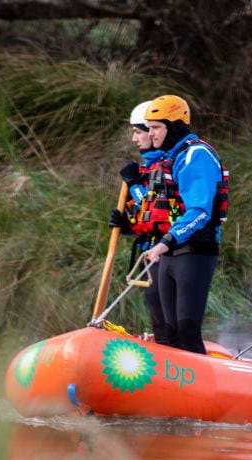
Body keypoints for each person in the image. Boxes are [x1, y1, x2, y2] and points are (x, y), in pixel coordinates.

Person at [141, 94, 229, 354]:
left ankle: (206, 391)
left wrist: (166, 241)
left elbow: (201, 210)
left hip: (195, 252)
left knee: (186, 331)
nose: (151, 134)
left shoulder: (196, 155)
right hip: (172, 251)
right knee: (168, 335)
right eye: (150, 127)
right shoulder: (171, 157)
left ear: (175, 126)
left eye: (157, 127)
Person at [107, 100, 168, 338]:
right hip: (150, 252)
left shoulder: (165, 166)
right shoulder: (150, 166)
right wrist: (128, 226)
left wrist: (133, 185)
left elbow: (156, 209)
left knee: (167, 320)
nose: (135, 139)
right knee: (157, 317)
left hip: (166, 253)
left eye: (138, 132)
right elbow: (147, 216)